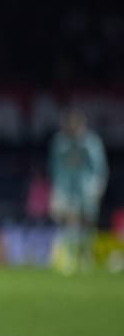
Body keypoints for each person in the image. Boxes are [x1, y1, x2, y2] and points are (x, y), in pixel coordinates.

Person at [48, 107, 109, 274]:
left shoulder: (91, 142)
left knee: (88, 222)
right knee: (70, 221)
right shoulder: (61, 142)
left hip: (87, 188)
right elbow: (55, 166)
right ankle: (70, 257)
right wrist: (57, 189)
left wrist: (99, 185)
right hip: (67, 188)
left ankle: (86, 256)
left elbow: (99, 166)